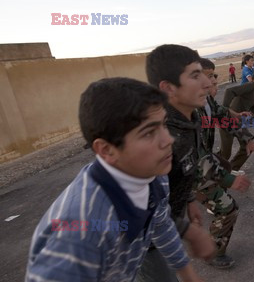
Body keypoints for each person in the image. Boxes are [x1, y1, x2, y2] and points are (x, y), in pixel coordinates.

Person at [26, 77, 206, 282]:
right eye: (148, 133)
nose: (168, 140)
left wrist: (188, 273)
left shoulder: (153, 175)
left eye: (164, 125)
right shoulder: (80, 234)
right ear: (106, 149)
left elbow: (161, 223)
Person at [145, 46, 252, 270]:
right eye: (198, 76)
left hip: (160, 226)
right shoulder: (165, 131)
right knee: (227, 207)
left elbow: (222, 116)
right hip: (140, 242)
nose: (209, 83)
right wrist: (228, 179)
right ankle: (215, 251)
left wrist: (188, 200)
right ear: (169, 88)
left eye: (210, 76)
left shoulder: (193, 111)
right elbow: (146, 206)